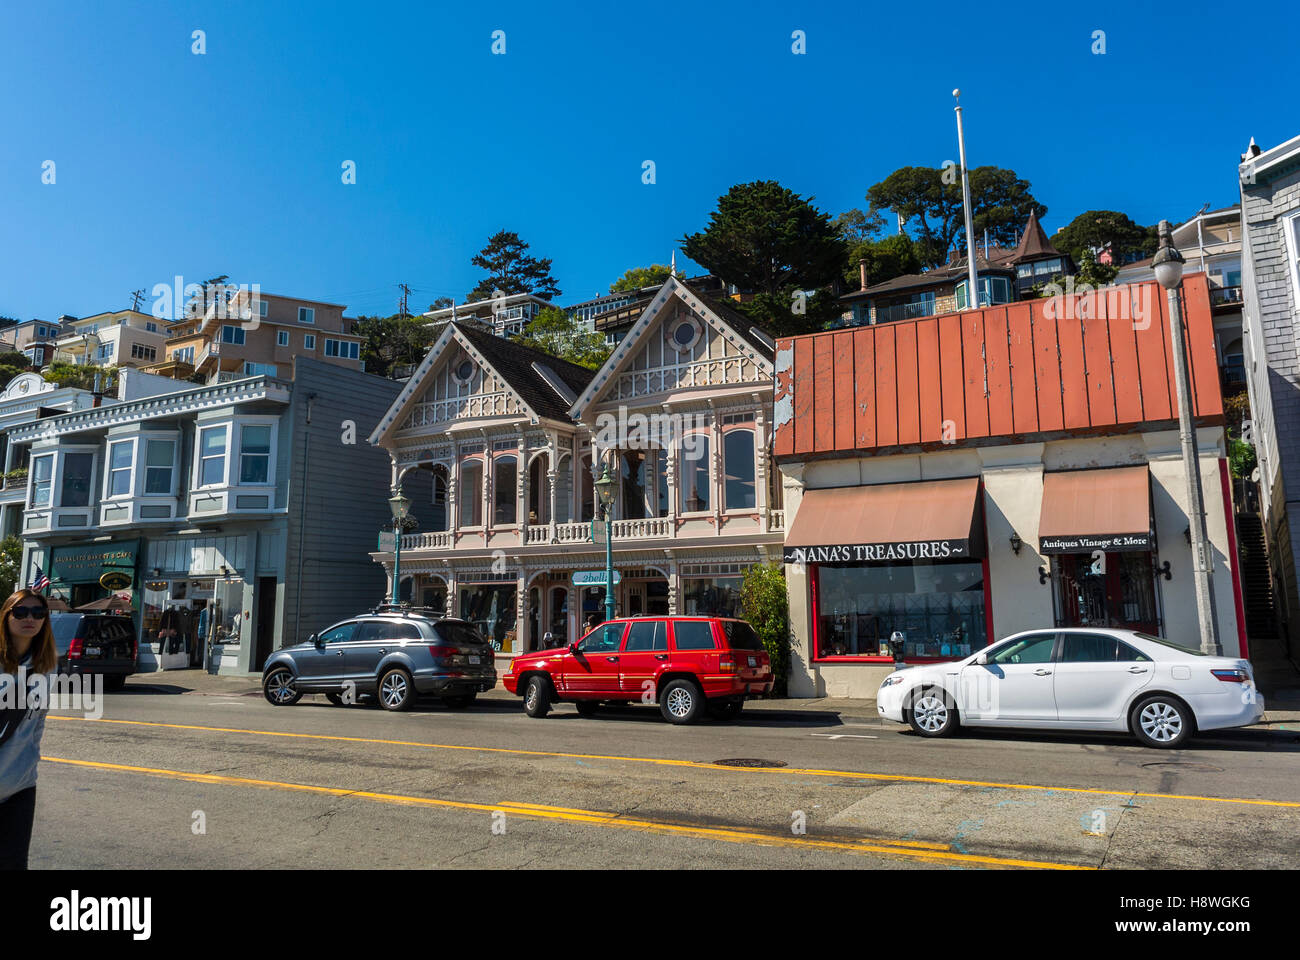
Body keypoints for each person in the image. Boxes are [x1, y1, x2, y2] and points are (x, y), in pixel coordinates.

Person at [0, 589, 55, 870]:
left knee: (14, 864)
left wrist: (30, 763)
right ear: (6, 617)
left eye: (38, 613)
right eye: (20, 612)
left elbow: (37, 723)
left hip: (20, 786)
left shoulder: (47, 669)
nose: (29, 618)